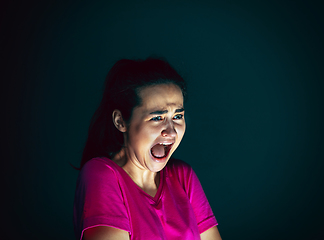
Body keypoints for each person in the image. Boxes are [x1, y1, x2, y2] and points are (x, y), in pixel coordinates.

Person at [73, 57, 222, 240]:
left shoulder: (184, 177)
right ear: (120, 121)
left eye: (177, 116)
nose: (172, 132)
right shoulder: (101, 174)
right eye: (157, 118)